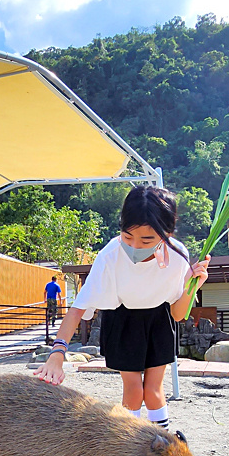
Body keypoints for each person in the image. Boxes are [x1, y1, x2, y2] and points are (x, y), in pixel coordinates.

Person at [34, 185, 210, 432]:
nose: (136, 246)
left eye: (147, 239)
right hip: (123, 319)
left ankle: (164, 448)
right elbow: (78, 308)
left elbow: (178, 313)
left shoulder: (177, 254)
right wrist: (57, 354)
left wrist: (194, 284)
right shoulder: (110, 255)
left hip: (160, 319)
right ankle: (130, 448)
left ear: (166, 233)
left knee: (154, 390)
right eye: (128, 237)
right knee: (134, 389)